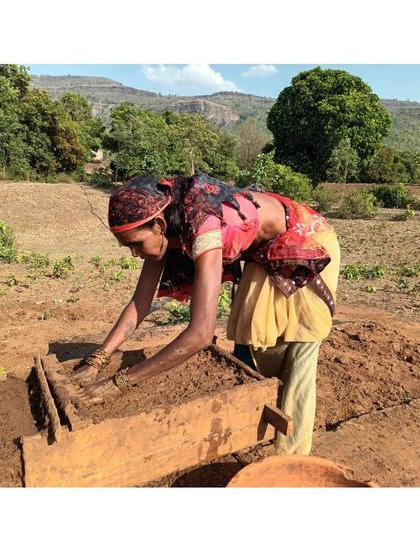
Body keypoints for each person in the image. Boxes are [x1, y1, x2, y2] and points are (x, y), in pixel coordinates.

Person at [76, 172, 340, 455]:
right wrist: (97, 359)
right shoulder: (165, 229)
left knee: (298, 343)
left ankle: (292, 456)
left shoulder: (203, 225)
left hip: (306, 243)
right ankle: (248, 423)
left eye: (136, 244)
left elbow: (200, 334)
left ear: (159, 224)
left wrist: (121, 382)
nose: (134, 253)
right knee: (249, 334)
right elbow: (140, 302)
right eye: (127, 246)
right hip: (264, 252)